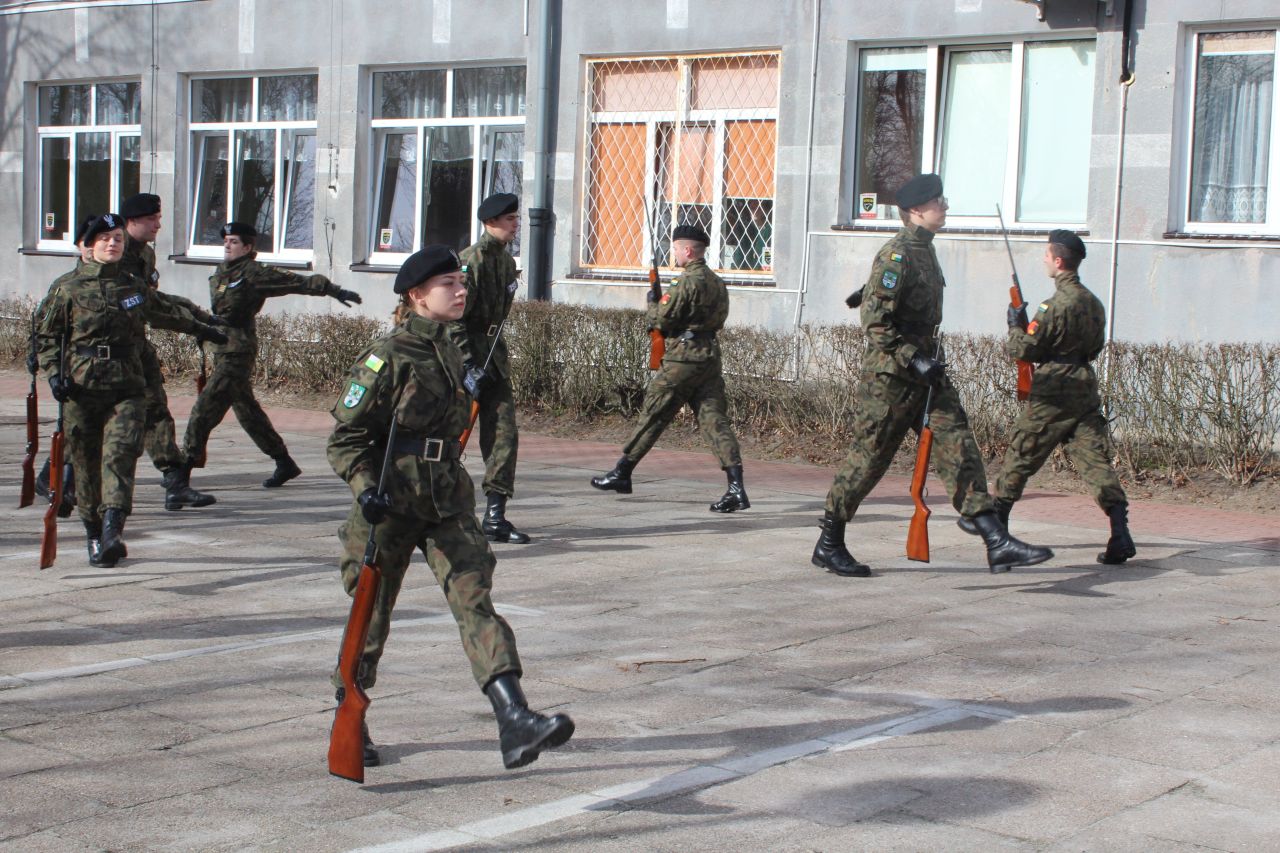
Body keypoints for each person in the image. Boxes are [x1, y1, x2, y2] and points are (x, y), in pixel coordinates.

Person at [327, 244, 574, 770]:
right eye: (449, 285)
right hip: (391, 501)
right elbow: (345, 440)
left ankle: (514, 718)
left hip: (445, 498)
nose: (461, 291)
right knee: (371, 616)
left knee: (474, 600)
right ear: (418, 295)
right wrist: (365, 489)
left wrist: (469, 390)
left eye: (462, 282)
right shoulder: (387, 355)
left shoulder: (456, 349)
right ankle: (350, 714)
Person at [811, 174, 1053, 577]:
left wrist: (925, 362)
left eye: (943, 199)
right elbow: (875, 322)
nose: (945, 206)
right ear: (915, 211)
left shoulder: (926, 249)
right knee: (869, 458)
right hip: (891, 376)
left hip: (927, 370)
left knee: (958, 444)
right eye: (937, 202)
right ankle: (830, 542)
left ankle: (995, 539)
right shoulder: (896, 255)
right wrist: (913, 358)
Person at [36, 214, 228, 567]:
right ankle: (94, 533)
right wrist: (53, 375)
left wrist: (204, 329)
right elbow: (46, 338)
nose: (112, 243)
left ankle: (114, 530)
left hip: (127, 385)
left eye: (117, 238)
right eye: (104, 238)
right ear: (89, 245)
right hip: (82, 388)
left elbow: (163, 313)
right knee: (87, 465)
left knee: (121, 455)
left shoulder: (132, 286)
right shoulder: (67, 289)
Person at [956, 230, 1135, 565]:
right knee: (1094, 461)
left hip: (1053, 389)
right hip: (1084, 385)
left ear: (1059, 261)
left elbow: (1026, 349)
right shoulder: (1094, 303)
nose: (1044, 260)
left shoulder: (1052, 306)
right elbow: (1095, 347)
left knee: (1021, 453)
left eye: (1047, 255)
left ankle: (999, 528)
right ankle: (1120, 532)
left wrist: (1014, 326)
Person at [173, 222, 362, 504]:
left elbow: (294, 281)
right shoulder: (223, 271)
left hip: (237, 353)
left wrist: (333, 290)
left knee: (204, 410)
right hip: (222, 347)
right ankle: (284, 461)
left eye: (234, 241)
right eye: (225, 240)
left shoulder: (254, 273)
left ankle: (180, 476)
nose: (227, 245)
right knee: (247, 411)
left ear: (248, 247)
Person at [591, 224, 750, 512]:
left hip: (682, 360)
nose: (674, 254)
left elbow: (661, 320)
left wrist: (652, 303)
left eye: (676, 249)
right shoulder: (717, 282)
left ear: (688, 250)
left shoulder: (685, 282)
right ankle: (736, 488)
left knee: (654, 413)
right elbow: (719, 318)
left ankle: (622, 472)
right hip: (709, 357)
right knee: (715, 421)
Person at [118, 192, 225, 511]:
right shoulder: (115, 255)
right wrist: (198, 327)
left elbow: (154, 298)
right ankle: (59, 474)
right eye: (151, 219)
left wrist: (201, 316)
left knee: (156, 410)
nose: (158, 225)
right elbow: (147, 309)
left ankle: (175, 481)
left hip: (137, 346)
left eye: (158, 218)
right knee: (92, 420)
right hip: (109, 351)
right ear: (131, 221)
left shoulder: (145, 254)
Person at [448, 192, 531, 543]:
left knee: (504, 435)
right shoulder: (472, 261)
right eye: (510, 219)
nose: (516, 224)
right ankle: (429, 506)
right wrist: (467, 364)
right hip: (464, 359)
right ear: (491, 222)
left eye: (516, 218)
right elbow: (454, 319)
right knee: (448, 438)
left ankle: (495, 516)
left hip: (494, 358)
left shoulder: (506, 261)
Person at [33, 213, 98, 510]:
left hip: (107, 372)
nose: (93, 248)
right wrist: (52, 371)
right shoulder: (66, 285)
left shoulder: (118, 281)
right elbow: (44, 331)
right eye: (88, 242)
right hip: (74, 368)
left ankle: (59, 481)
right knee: (73, 429)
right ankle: (58, 482)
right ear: (80, 245)